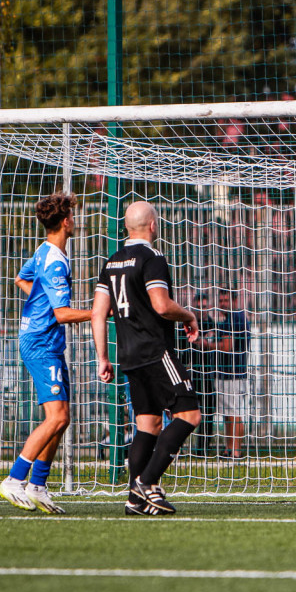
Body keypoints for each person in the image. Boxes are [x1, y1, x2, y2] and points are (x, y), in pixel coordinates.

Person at [91, 201, 202, 516]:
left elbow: (99, 314)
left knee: (148, 424)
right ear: (153, 225)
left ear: (127, 227)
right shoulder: (152, 258)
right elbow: (162, 305)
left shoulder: (111, 262)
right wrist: (189, 314)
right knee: (189, 415)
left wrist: (103, 356)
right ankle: (147, 482)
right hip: (155, 351)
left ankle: (134, 501)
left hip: (128, 355)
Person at [0, 192, 92, 514]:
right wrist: (100, 312)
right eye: (73, 217)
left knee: (61, 420)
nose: (75, 222)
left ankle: (37, 486)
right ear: (66, 222)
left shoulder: (45, 251)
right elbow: (63, 314)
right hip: (40, 343)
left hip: (46, 341)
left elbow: (21, 279)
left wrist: (38, 304)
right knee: (58, 417)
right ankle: (14, 479)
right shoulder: (54, 262)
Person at [180, 291, 219, 457]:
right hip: (190, 372)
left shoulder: (211, 324)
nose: (202, 309)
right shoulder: (187, 324)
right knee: (183, 410)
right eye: (199, 307)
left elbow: (215, 345)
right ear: (194, 307)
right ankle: (178, 446)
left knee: (209, 409)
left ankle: (202, 448)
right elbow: (181, 349)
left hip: (207, 372)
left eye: (205, 306)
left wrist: (204, 343)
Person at [215, 288, 251, 458]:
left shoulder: (235, 319)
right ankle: (229, 448)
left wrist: (206, 344)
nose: (223, 304)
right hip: (228, 374)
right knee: (228, 413)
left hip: (233, 374)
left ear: (234, 301)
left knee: (234, 413)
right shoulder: (230, 319)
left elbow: (227, 347)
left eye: (226, 300)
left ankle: (235, 450)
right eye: (221, 300)